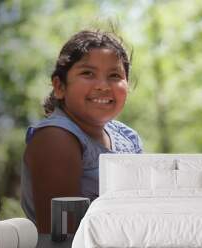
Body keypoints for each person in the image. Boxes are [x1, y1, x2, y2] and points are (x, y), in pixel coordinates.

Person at [21, 30, 143, 233]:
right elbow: (62, 238)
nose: (103, 86)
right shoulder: (56, 138)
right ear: (59, 86)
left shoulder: (128, 138)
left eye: (114, 75)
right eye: (88, 73)